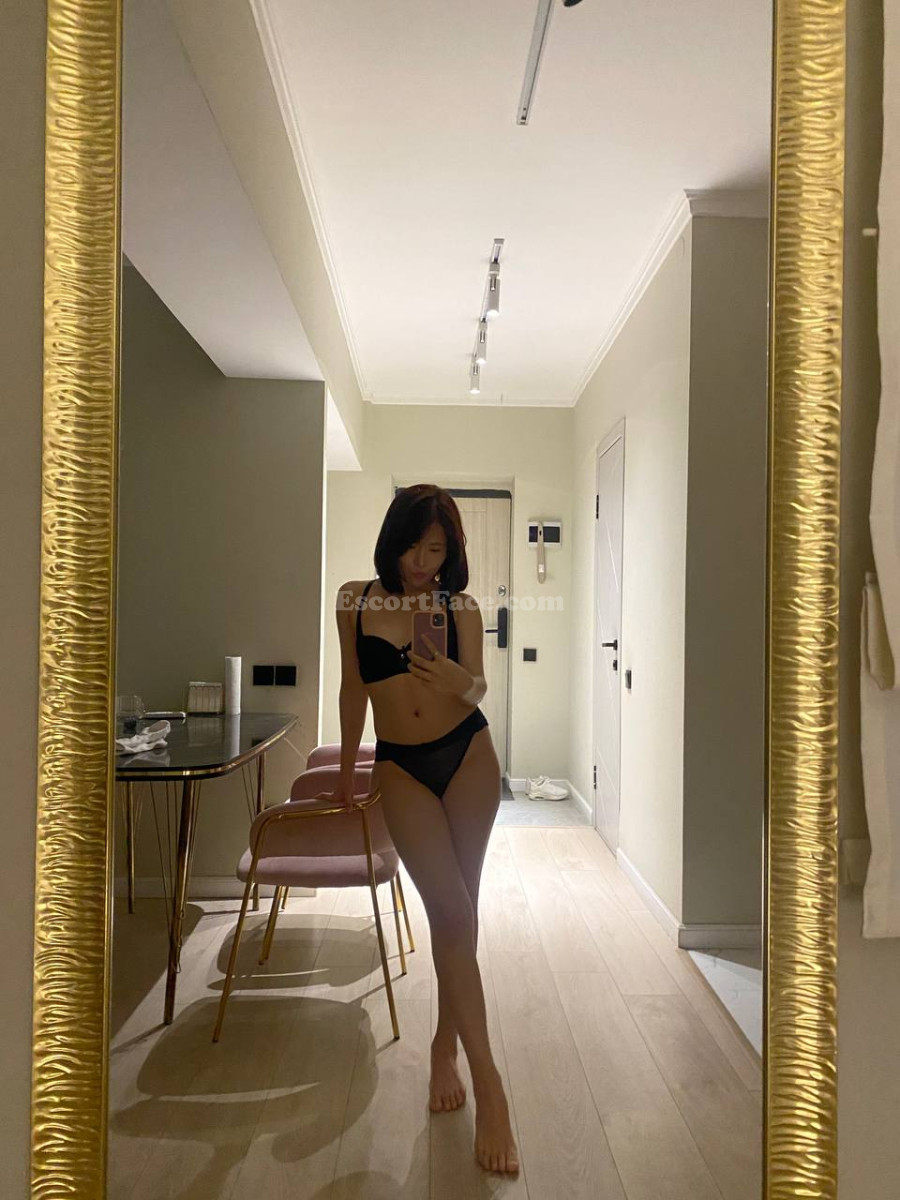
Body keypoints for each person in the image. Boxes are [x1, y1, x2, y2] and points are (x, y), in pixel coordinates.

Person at [330, 483, 519, 1176]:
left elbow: (480, 689)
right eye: (411, 546)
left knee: (458, 915)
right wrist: (347, 770)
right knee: (449, 911)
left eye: (435, 550)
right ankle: (490, 1086)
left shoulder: (459, 608)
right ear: (392, 539)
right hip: (401, 768)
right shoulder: (354, 600)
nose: (420, 563)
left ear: (450, 552)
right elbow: (353, 687)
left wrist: (452, 680)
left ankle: (446, 1046)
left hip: (468, 755)